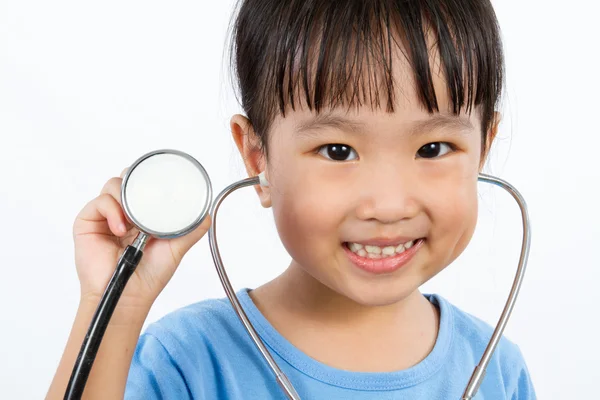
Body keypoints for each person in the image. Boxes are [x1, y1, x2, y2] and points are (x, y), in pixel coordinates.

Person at [47, 0, 536, 398]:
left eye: (433, 148)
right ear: (258, 156)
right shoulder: (189, 362)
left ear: (483, 148)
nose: (388, 204)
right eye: (337, 150)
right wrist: (113, 304)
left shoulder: (496, 370)